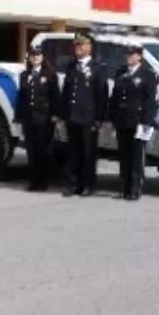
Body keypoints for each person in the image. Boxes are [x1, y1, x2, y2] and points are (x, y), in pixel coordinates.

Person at [59, 31, 108, 197]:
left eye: (80, 45)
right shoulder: (71, 66)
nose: (77, 48)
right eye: (76, 45)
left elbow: (102, 95)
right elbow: (66, 92)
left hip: (88, 118)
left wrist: (99, 118)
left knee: (88, 154)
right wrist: (62, 114)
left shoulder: (98, 69)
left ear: (89, 47)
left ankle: (88, 185)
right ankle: (73, 184)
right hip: (72, 117)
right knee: (74, 153)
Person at [109, 43, 158, 201]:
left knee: (136, 156)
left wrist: (146, 121)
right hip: (122, 120)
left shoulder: (147, 75)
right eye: (127, 54)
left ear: (139, 56)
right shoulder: (121, 73)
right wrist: (112, 118)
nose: (128, 57)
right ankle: (124, 186)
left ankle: (135, 187)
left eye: (132, 54)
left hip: (138, 121)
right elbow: (115, 97)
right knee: (124, 155)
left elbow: (150, 101)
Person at [14, 45, 59, 192]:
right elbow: (21, 98)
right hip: (29, 118)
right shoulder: (25, 75)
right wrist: (19, 116)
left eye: (38, 55)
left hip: (44, 118)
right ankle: (34, 180)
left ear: (43, 57)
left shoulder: (50, 74)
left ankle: (43, 181)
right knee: (31, 151)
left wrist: (54, 115)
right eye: (33, 55)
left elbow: (55, 97)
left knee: (43, 151)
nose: (35, 58)